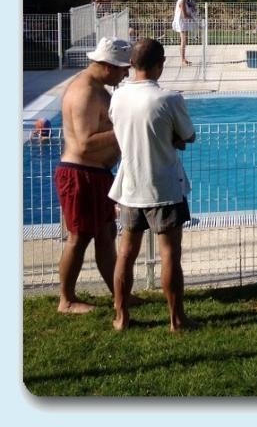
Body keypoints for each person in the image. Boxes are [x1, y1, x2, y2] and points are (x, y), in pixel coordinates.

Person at [108, 38, 196, 331]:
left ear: (131, 64)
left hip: (130, 185)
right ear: (160, 64)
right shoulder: (168, 98)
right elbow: (188, 136)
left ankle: (121, 317)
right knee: (170, 253)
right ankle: (176, 319)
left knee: (125, 253)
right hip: (164, 186)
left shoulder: (117, 97)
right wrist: (171, 138)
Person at [54, 37, 132, 314]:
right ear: (108, 66)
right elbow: (84, 143)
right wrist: (124, 128)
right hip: (80, 174)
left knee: (105, 233)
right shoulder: (85, 91)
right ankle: (66, 300)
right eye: (123, 69)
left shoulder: (96, 87)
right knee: (79, 237)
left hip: (95, 173)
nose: (125, 74)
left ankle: (118, 293)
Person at [171, 0, 197, 66]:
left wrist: (193, 9)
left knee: (185, 41)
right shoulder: (182, 1)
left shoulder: (184, 1)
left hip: (183, 22)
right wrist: (193, 17)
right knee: (183, 41)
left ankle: (184, 59)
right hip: (181, 22)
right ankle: (182, 60)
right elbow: (184, 14)